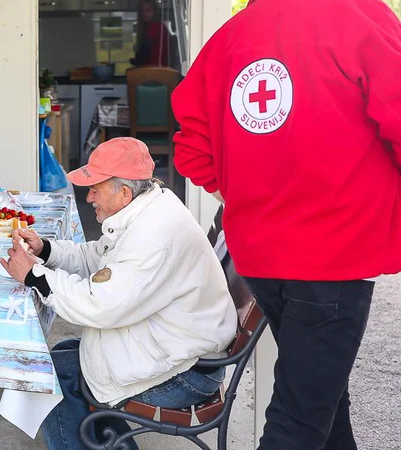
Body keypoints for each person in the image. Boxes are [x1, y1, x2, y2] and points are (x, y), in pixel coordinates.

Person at [170, 0, 401, 448]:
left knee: (322, 393)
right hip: (333, 255)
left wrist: (249, 196)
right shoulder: (359, 17)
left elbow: (193, 148)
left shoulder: (231, 36)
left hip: (258, 254)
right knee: (299, 417)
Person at [1, 137, 237, 450]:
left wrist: (33, 275)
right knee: (59, 355)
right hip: (177, 346)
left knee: (50, 377)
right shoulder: (149, 206)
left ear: (123, 192)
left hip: (187, 373)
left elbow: (98, 305)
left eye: (95, 189)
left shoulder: (151, 238)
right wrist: (46, 251)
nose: (89, 198)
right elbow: (100, 258)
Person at [130, 0, 170, 67]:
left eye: (148, 10)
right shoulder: (155, 27)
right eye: (142, 11)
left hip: (155, 69)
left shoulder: (156, 26)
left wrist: (137, 55)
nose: (145, 14)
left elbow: (144, 52)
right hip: (156, 68)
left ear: (155, 11)